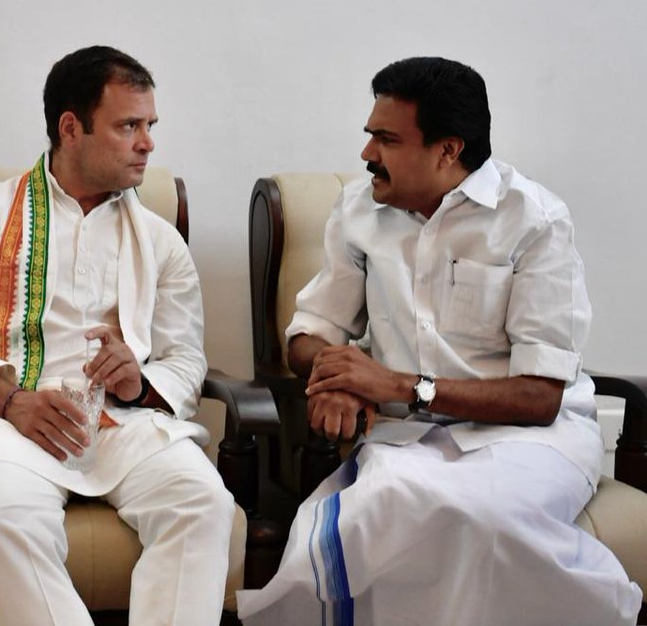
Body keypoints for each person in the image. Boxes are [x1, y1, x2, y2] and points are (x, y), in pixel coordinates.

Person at [237, 57, 642, 625]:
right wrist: (337, 375)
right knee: (370, 516)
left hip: (532, 441)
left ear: (447, 150)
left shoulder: (534, 220)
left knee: (479, 516)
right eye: (369, 134)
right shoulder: (359, 209)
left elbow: (539, 397)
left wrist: (393, 384)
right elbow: (309, 332)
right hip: (410, 437)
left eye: (386, 138)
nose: (366, 154)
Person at [0, 46, 235, 625]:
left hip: (126, 426)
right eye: (128, 125)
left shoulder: (161, 242)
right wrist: (10, 400)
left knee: (204, 502)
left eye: (150, 125)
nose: (147, 142)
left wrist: (139, 383)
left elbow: (184, 357)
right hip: (12, 425)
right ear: (71, 127)